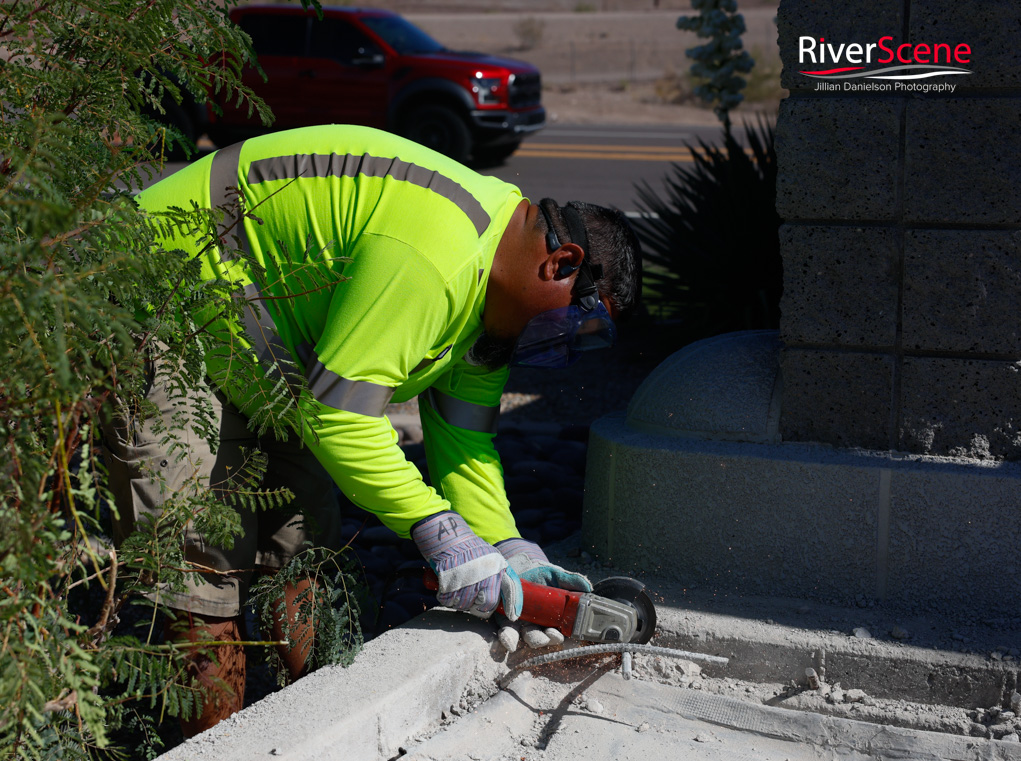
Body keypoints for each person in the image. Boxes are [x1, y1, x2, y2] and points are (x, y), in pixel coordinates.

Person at [103, 124, 642, 735]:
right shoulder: (435, 256)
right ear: (560, 262)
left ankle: (319, 737)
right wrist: (437, 528)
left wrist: (504, 545)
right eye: (574, 326)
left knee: (309, 564)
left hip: (270, 351)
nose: (558, 343)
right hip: (168, 301)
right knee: (207, 578)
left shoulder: (493, 302)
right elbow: (340, 418)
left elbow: (463, 441)